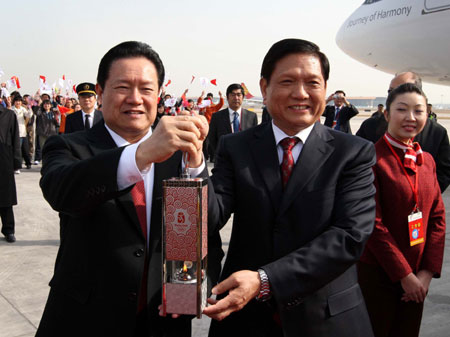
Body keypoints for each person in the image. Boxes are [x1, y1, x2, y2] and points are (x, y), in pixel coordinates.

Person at [36, 41, 222, 337]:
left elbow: (202, 230)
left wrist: (196, 162)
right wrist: (141, 154)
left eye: (146, 89)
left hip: (163, 317)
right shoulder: (70, 146)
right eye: (123, 87)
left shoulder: (178, 154)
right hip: (87, 318)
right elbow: (61, 192)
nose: (135, 99)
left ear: (159, 94)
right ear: (100, 92)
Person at [204, 38, 376, 337]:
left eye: (312, 82)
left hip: (327, 318)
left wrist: (265, 278)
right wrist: (195, 166)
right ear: (263, 87)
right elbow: (209, 219)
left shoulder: (354, 152)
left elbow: (350, 236)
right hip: (245, 317)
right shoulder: (236, 147)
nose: (301, 93)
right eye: (287, 81)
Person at [357, 83, 446, 337]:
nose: (411, 118)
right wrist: (404, 276)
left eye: (419, 111)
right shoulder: (371, 159)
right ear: (386, 114)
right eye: (402, 109)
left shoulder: (426, 159)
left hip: (418, 278)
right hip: (379, 275)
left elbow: (437, 218)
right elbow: (372, 223)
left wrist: (426, 274)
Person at [356, 71, 450, 192]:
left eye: (402, 89)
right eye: (391, 91)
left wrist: (425, 194)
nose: (395, 95)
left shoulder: (437, 133)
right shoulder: (370, 126)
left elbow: (444, 172)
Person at [208, 83, 258, 162]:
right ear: (227, 97)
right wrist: (220, 154)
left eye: (239, 95)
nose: (236, 98)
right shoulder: (217, 117)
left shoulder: (252, 116)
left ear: (243, 97)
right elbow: (212, 138)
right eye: (233, 95)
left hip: (246, 162)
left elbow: (255, 139)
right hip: (223, 161)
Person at [0, 104, 21, 243]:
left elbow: (15, 138)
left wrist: (16, 161)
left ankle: (9, 230)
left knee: (5, 196)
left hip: (3, 158)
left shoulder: (8, 115)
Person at [11, 95, 32, 169]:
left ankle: (28, 163)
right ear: (14, 102)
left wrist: (29, 108)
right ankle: (17, 165)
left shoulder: (23, 109)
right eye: (17, 101)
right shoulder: (11, 109)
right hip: (15, 133)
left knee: (25, 149)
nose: (18, 103)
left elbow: (29, 115)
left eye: (19, 101)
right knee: (17, 150)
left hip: (23, 131)